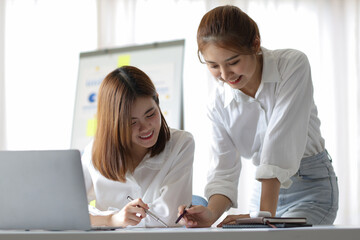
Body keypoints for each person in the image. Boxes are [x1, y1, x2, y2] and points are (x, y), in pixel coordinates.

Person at [179, 5, 338, 227]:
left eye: (233, 62)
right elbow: (223, 172)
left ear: (255, 43)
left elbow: (279, 143)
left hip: (310, 185)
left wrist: (263, 216)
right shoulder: (217, 104)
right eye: (214, 65)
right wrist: (210, 215)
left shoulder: (292, 65)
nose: (225, 76)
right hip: (263, 192)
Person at [81, 65, 194, 228]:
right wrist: (112, 219)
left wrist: (106, 219)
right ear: (113, 123)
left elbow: (169, 215)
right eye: (132, 122)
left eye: (151, 114)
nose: (146, 127)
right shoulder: (95, 151)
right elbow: (69, 212)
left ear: (157, 100)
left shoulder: (181, 144)